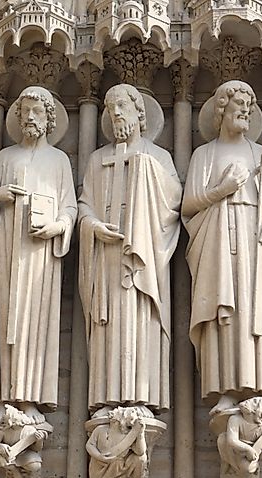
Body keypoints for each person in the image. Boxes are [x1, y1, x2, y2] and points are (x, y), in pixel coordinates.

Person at [183, 80, 262, 412]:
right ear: (221, 110)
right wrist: (223, 189)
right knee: (222, 315)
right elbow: (188, 207)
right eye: (238, 105)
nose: (244, 110)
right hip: (215, 241)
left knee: (252, 311)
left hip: (254, 240)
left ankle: (257, 384)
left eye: (249, 105)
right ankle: (223, 387)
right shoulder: (205, 154)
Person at [78, 84, 182, 413]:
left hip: (144, 258)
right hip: (106, 257)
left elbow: (174, 204)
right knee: (107, 325)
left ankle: (143, 397)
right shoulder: (98, 160)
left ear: (140, 112)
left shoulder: (158, 157)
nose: (116, 113)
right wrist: (94, 226)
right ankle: (108, 398)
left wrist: (146, 171)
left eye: (122, 105)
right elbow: (84, 206)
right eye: (110, 108)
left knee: (141, 321)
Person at [0, 86, 76, 412]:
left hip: (39, 256)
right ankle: (2, 395)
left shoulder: (59, 160)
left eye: (37, 111)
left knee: (35, 322)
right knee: (5, 318)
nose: (30, 117)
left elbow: (70, 208)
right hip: (5, 251)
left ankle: (30, 396)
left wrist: (58, 227)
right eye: (25, 111)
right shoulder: (6, 157)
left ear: (49, 118)